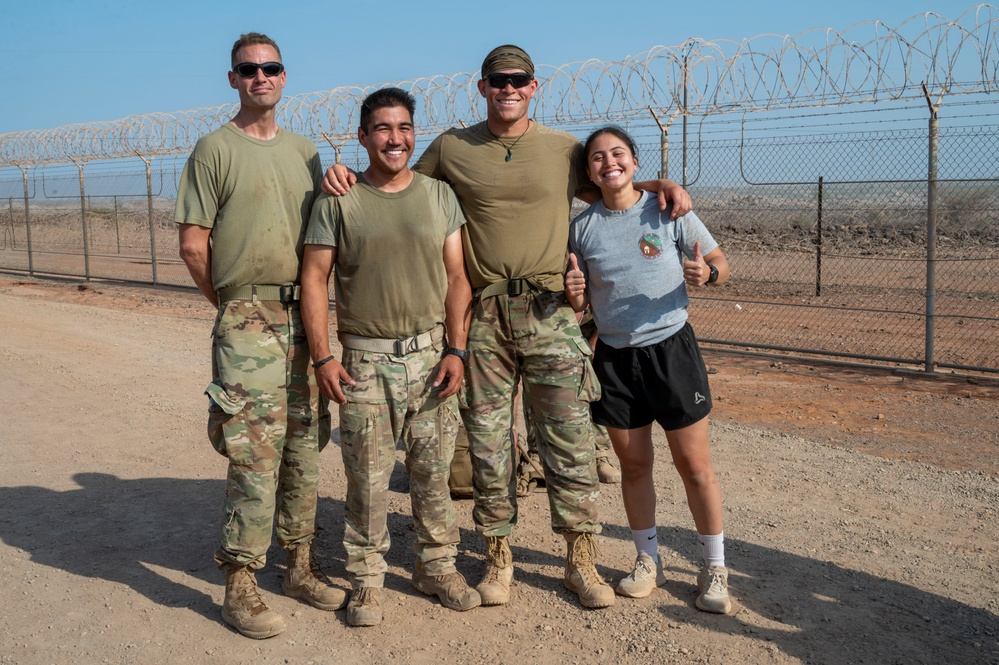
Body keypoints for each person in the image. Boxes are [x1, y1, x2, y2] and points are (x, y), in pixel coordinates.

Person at [323, 44, 692, 610]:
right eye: (498, 80)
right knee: (490, 444)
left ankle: (581, 561)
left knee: (569, 441)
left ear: (534, 86)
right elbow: (396, 182)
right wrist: (344, 174)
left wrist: (660, 185)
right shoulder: (453, 148)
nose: (508, 89)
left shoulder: (564, 150)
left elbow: (611, 185)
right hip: (486, 318)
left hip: (551, 313)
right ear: (483, 88)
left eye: (519, 80)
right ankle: (498, 557)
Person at [174, 32, 347, 640]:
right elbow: (193, 246)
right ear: (233, 79)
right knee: (253, 451)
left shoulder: (304, 152)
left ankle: (299, 565)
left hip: (306, 314)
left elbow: (324, 229)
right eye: (248, 69)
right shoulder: (214, 150)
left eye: (270, 68)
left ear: (283, 75)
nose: (260, 77)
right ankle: (241, 582)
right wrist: (233, 307)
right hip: (248, 315)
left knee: (304, 442)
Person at [300, 88, 479, 627]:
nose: (394, 138)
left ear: (413, 134)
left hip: (431, 358)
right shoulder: (338, 199)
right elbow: (315, 279)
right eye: (382, 128)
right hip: (365, 363)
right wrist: (323, 358)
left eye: (403, 127)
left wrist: (456, 349)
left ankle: (436, 566)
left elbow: (457, 277)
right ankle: (367, 579)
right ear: (363, 136)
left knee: (433, 473)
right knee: (367, 480)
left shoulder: (438, 196)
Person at [565, 125, 733, 614]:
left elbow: (720, 263)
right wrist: (575, 295)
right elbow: (579, 302)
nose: (609, 163)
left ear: (635, 162)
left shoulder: (667, 209)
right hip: (616, 359)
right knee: (634, 467)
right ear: (589, 171)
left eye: (618, 153)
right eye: (598, 157)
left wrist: (708, 274)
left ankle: (714, 567)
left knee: (694, 467)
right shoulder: (582, 228)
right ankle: (647, 560)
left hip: (671, 353)